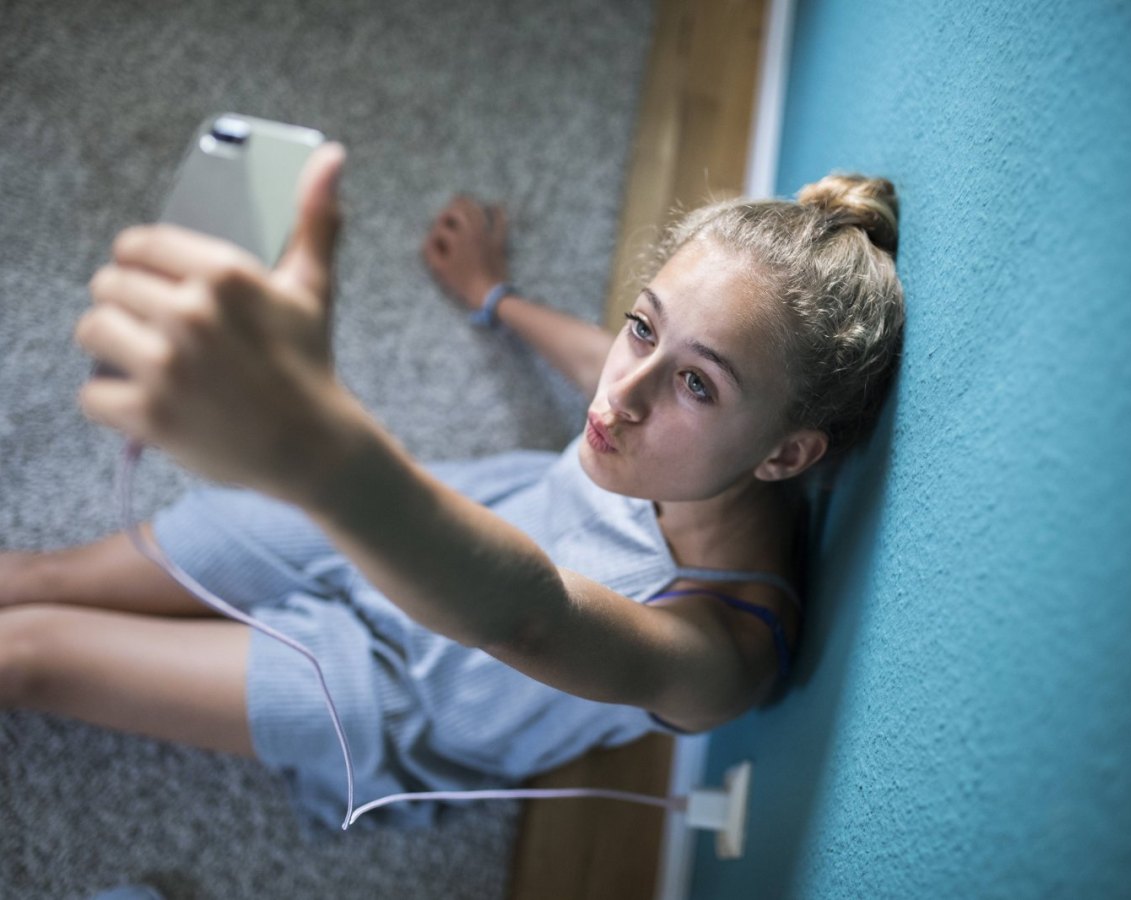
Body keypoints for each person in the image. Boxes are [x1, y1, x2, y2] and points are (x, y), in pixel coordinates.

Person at [0, 144, 905, 830]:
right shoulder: (675, 434)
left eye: (697, 384)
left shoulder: (724, 652)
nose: (619, 398)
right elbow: (602, 360)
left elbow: (530, 615)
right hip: (408, 519)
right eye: (643, 328)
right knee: (36, 578)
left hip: (388, 692)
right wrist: (492, 296)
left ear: (785, 455)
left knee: (29, 654)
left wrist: (311, 450)